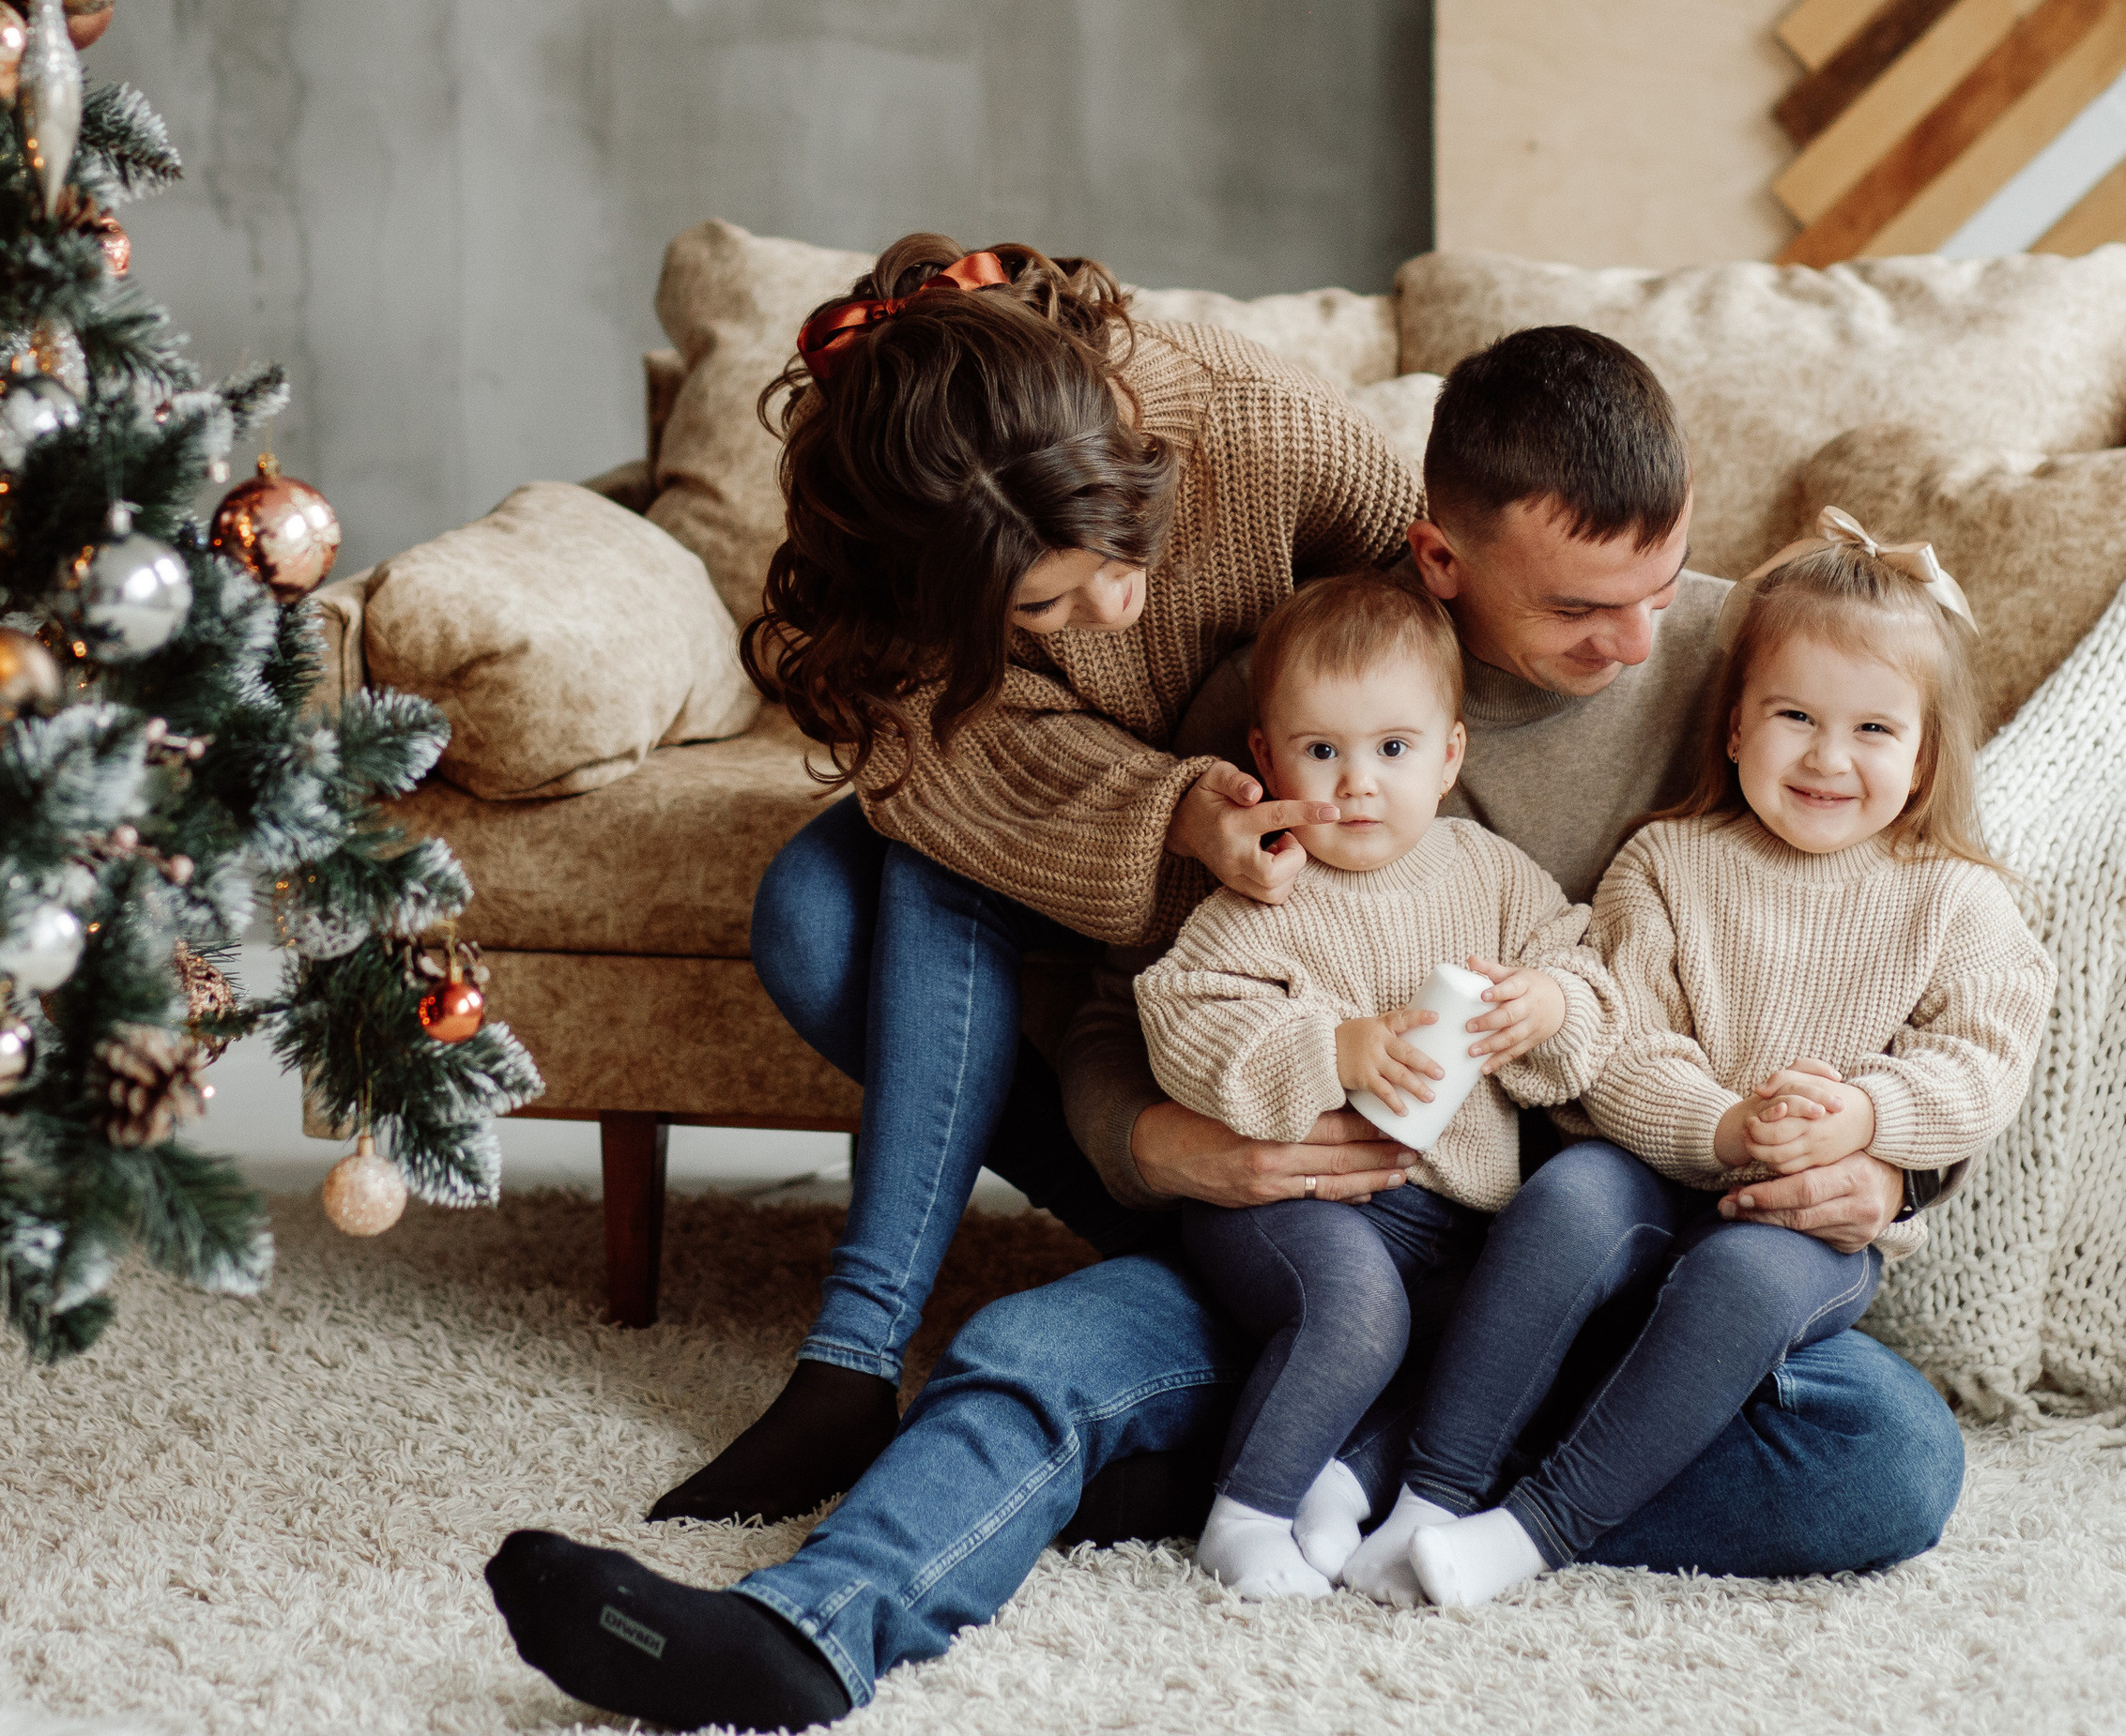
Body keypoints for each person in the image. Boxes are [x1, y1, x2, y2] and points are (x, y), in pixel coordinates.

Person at [486, 322, 1966, 1734]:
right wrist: (1163, 1145)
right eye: (1581, 610)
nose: (1639, 638)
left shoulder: (1754, 674)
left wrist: (1898, 1165)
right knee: (1030, 1357)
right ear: (1441, 559)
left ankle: (1345, 1466)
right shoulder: (1284, 703)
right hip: (1335, 1243)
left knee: (1888, 1461)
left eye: (1661, 578)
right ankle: (808, 1630)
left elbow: (1934, 928)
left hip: (1603, 1276)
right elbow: (1117, 998)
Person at [640, 234, 1422, 1527]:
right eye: (1045, 611)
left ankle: (869, 1352)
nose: (1114, 607)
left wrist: (1266, 781)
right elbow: (937, 768)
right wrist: (1171, 809)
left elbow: (1436, 616)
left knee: (903, 877)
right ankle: (874, 1349)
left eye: (1124, 548)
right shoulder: (894, 538)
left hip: (1289, 855)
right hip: (1096, 831)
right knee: (815, 914)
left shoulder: (1254, 419)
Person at [1345, 512, 2052, 1610]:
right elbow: (1621, 1039)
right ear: (1733, 728)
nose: (1826, 756)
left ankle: (1536, 1528)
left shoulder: (1955, 900)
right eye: (1793, 716)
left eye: (1872, 728)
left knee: (1748, 1286)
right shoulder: (1669, 862)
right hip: (1648, 1173)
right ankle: (1430, 1491)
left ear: (1922, 759)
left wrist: (1864, 1116)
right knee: (1567, 1196)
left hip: (1795, 1231)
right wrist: (1722, 1127)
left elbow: (1982, 1060)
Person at [1134, 572, 1623, 1597]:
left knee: (1502, 1340)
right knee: (1355, 1313)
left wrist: (1547, 1006)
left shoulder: (1490, 874)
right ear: (1267, 758)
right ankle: (1246, 1512)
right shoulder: (1266, 890)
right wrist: (1332, 1051)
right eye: (1323, 751)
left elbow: (1583, 970)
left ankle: (1342, 1477)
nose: (1358, 784)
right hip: (1300, 1205)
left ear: (1449, 755)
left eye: (1393, 749)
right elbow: (1182, 1019)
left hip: (1456, 1218)